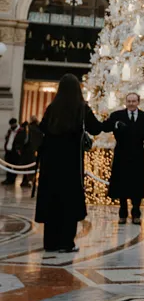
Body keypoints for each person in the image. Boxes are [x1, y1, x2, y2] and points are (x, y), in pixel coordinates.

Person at [35, 73, 105, 253]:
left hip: (51, 163)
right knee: (69, 201)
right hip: (71, 163)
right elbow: (96, 128)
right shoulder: (81, 108)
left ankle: (50, 243)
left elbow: (42, 127)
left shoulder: (52, 107)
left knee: (52, 200)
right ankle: (66, 243)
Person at [101, 92, 144, 224]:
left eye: (134, 101)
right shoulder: (117, 116)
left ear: (138, 102)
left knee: (137, 184)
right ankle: (122, 213)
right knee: (122, 184)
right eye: (129, 101)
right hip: (121, 154)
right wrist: (115, 124)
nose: (131, 103)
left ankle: (136, 213)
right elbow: (104, 127)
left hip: (137, 155)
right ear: (125, 102)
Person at [2, 118, 20, 185]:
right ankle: (8, 179)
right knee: (8, 165)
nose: (11, 126)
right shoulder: (10, 131)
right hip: (8, 151)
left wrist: (18, 149)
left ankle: (12, 180)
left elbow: (20, 141)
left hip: (15, 152)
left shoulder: (20, 131)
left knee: (14, 166)